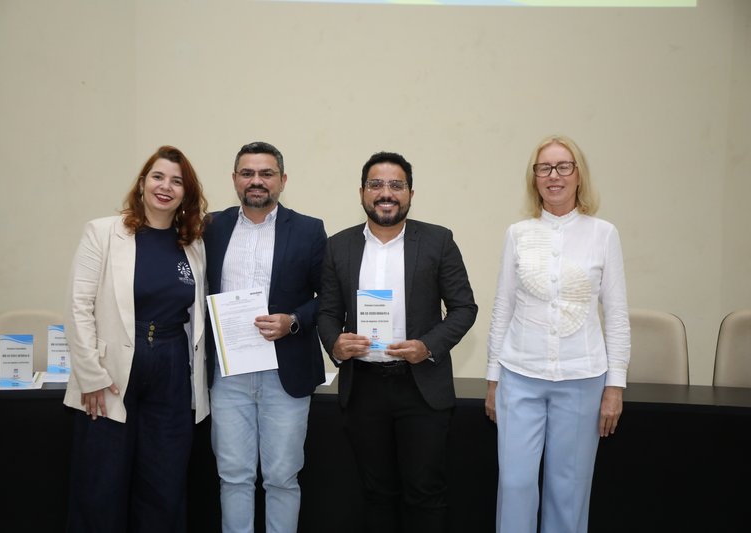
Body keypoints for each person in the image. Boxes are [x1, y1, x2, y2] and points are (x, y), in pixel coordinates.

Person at [317, 151, 478, 533]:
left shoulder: (438, 241)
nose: (385, 193)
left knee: (425, 493)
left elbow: (463, 308)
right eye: (376, 185)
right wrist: (335, 344)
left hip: (420, 388)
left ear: (410, 193)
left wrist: (428, 346)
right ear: (362, 192)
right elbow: (326, 312)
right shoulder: (339, 246)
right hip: (363, 389)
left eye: (395, 185)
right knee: (376, 494)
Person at [485, 134, 630, 533]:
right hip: (519, 376)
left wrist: (615, 386)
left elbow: (616, 315)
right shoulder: (518, 233)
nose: (554, 176)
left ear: (579, 175)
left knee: (569, 490)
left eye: (563, 166)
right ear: (534, 178)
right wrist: (493, 379)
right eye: (544, 168)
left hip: (583, 379)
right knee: (515, 485)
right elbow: (503, 307)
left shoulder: (604, 234)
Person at [63, 145, 210, 533]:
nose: (166, 187)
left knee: (164, 483)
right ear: (142, 183)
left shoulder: (192, 244)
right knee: (101, 483)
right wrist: (90, 376)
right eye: (158, 177)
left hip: (172, 370)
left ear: (186, 193)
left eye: (177, 181)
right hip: (110, 374)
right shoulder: (102, 232)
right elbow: (78, 307)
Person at [203, 141, 327, 533]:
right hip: (228, 375)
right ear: (235, 180)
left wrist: (293, 320)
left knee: (282, 478)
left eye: (266, 173)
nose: (256, 181)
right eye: (248, 173)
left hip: (284, 373)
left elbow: (328, 297)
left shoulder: (308, 230)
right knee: (233, 476)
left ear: (282, 180)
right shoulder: (210, 227)